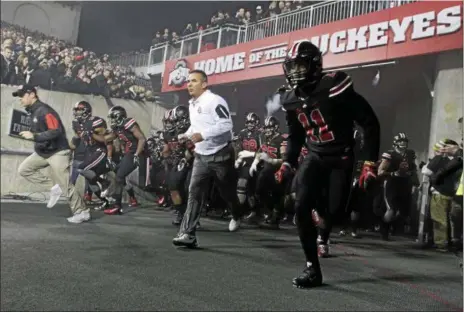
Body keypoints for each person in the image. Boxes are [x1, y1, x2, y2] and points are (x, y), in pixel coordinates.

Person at [275, 41, 380, 288]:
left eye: (300, 66)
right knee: (300, 207)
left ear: (314, 65)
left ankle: (323, 220)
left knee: (335, 214)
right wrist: (287, 163)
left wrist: (369, 161)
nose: (294, 72)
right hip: (314, 155)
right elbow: (296, 136)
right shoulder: (289, 98)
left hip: (341, 157)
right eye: (291, 67)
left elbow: (369, 122)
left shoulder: (334, 86)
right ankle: (312, 268)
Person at [172, 69, 242, 248]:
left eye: (194, 81)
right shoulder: (192, 104)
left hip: (220, 155)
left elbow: (226, 125)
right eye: (188, 81)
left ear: (204, 84)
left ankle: (236, 213)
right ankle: (188, 234)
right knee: (194, 193)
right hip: (201, 156)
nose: (189, 84)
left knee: (226, 192)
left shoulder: (215, 101)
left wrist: (203, 135)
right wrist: (186, 134)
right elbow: (196, 127)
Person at [14, 84, 90, 224]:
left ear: (32, 94)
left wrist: (34, 136)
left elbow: (56, 131)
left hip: (58, 152)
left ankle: (81, 212)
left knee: (65, 184)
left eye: (22, 95)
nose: (20, 99)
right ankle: (54, 187)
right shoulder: (32, 111)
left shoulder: (44, 110)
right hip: (43, 152)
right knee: (24, 169)